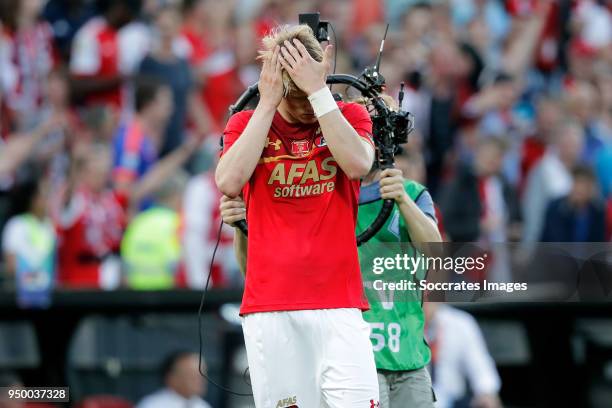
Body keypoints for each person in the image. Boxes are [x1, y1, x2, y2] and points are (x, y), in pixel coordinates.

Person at [221, 98, 442, 407]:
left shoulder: (411, 194)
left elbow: (437, 253)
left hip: (408, 354)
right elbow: (254, 269)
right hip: (351, 350)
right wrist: (240, 224)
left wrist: (402, 200)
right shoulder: (326, 198)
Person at [214, 24, 380, 407]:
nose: (305, 105)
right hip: (271, 306)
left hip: (340, 302)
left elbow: (358, 164)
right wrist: (269, 103)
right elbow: (228, 180)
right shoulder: (247, 123)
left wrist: (318, 92)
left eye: (310, 90)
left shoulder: (349, 115)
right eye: (296, 94)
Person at [424, 303, 502, 408]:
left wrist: (487, 393)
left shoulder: (461, 322)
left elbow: (480, 366)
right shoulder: (399, 325)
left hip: (454, 401)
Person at [121, 171, 187, 290]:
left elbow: (125, 266)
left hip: (136, 295)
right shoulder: (177, 223)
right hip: (169, 296)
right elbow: (180, 265)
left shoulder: (138, 222)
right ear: (175, 196)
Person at [2, 167, 56, 307]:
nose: (47, 201)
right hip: (21, 298)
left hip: (46, 297)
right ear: (33, 200)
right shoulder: (16, 225)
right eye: (43, 196)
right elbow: (11, 265)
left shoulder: (50, 226)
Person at [541, 165, 607, 242]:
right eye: (577, 183)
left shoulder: (597, 211)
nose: (580, 189)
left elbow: (598, 243)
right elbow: (555, 241)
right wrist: (570, 209)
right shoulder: (556, 209)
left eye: (585, 185)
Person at [136, 351, 211, 408]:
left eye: (203, 374)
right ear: (171, 377)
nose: (200, 380)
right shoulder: (152, 405)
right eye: (192, 375)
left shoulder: (203, 406)